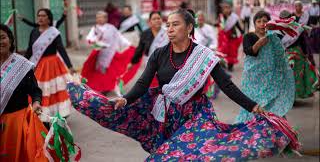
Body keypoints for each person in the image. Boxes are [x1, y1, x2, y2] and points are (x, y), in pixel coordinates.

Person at [68, 9, 297, 161]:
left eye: (175, 24)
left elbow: (227, 86)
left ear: (189, 28)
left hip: (196, 116)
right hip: (167, 116)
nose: (169, 29)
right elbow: (142, 83)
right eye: (167, 25)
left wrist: (253, 107)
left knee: (182, 155)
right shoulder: (159, 54)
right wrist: (125, 98)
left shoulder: (204, 56)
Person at [0, 24, 49, 161]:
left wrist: (36, 103)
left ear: (10, 40)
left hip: (18, 123)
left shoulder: (22, 65)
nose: (0, 42)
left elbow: (35, 90)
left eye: (2, 37)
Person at [236, 11, 295, 122]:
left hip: (271, 77)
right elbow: (249, 52)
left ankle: (277, 128)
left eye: (265, 21)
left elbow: (279, 55)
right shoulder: (249, 36)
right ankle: (254, 130)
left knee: (273, 102)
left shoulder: (273, 37)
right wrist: (260, 43)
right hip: (254, 78)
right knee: (254, 103)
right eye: (259, 21)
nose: (262, 24)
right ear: (254, 24)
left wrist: (286, 66)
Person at [25, 8, 75, 122]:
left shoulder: (54, 32)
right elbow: (30, 50)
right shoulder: (34, 31)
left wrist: (70, 66)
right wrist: (23, 63)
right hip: (40, 65)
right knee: (41, 90)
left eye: (43, 16)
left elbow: (61, 48)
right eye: (39, 16)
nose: (40, 18)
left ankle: (61, 113)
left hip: (53, 65)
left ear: (49, 18)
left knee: (55, 90)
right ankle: (43, 115)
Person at [81, 11, 136, 95]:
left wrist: (129, 45)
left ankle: (110, 87)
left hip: (111, 54)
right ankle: (102, 88)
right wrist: (93, 41)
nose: (98, 19)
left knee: (111, 74)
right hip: (99, 55)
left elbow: (119, 37)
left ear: (106, 18)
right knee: (99, 73)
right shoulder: (95, 28)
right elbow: (89, 38)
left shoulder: (111, 28)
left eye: (101, 17)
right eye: (97, 17)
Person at [279, 10, 319, 100]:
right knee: (287, 75)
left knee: (297, 75)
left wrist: (305, 53)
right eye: (283, 19)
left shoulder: (297, 28)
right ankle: (288, 96)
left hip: (297, 54)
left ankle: (295, 96)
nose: (285, 21)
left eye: (287, 19)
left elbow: (303, 41)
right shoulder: (277, 29)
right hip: (284, 54)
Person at [126, 11, 169, 87]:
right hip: (150, 64)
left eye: (158, 18)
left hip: (164, 64)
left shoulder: (167, 33)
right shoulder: (145, 34)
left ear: (162, 20)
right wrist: (133, 62)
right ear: (149, 22)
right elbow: (140, 49)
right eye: (154, 19)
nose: (157, 20)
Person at [217, 1, 244, 71]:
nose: (226, 10)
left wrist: (242, 32)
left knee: (232, 52)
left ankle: (230, 65)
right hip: (224, 37)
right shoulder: (221, 17)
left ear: (230, 9)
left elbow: (238, 25)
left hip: (232, 36)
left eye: (228, 8)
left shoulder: (234, 17)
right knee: (224, 51)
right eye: (225, 8)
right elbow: (219, 26)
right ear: (222, 9)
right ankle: (223, 63)